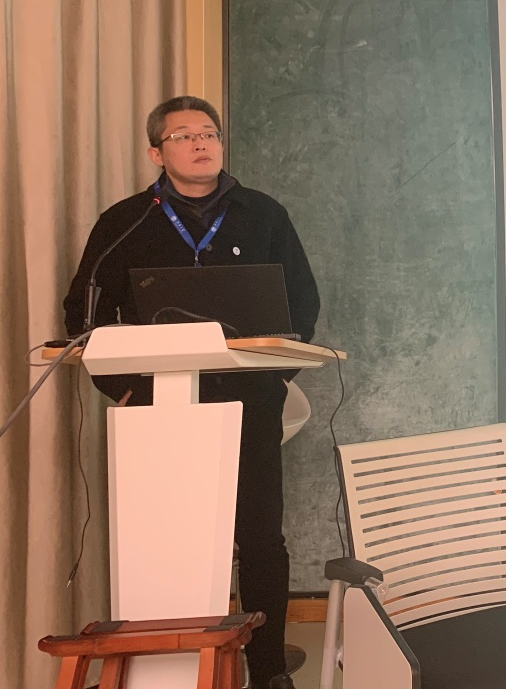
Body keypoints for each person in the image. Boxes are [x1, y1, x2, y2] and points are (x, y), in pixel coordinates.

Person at [63, 95, 319, 689]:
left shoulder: (263, 214)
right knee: (168, 537)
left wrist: (276, 377)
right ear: (157, 153)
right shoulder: (126, 221)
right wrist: (122, 390)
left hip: (249, 402)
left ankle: (269, 670)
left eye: (209, 133)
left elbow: (302, 304)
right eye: (183, 135)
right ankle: (170, 668)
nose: (201, 143)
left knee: (260, 536)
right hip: (160, 407)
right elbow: (84, 313)